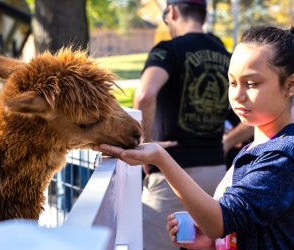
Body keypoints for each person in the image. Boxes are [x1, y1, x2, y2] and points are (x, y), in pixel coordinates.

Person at [94, 25, 294, 249]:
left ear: (290, 85)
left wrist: (162, 159)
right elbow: (243, 226)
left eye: (252, 84)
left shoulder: (284, 155)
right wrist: (213, 243)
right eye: (232, 82)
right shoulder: (257, 147)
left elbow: (221, 219)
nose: (237, 95)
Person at [133, 0, 231, 248]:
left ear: (172, 11)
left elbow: (144, 94)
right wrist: (229, 139)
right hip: (217, 172)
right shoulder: (226, 55)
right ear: (204, 16)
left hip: (173, 176)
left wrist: (147, 144)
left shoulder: (168, 49)